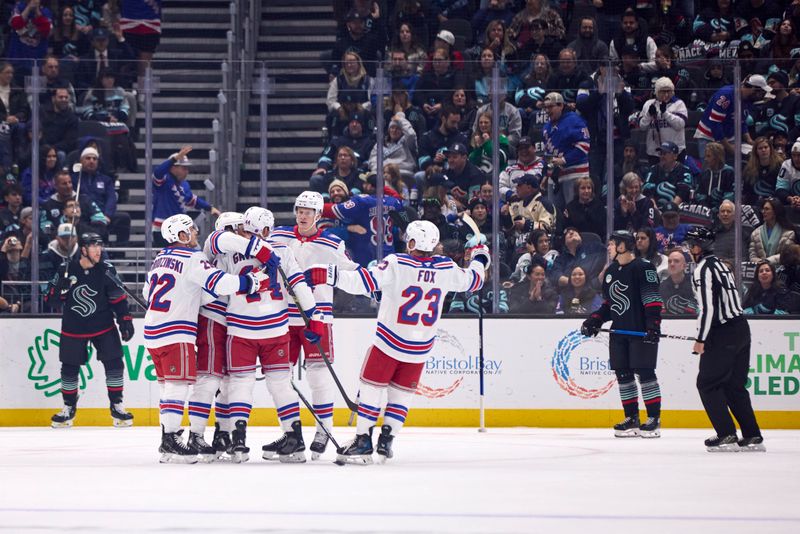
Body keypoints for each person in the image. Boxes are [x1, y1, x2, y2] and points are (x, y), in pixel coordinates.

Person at [305, 220, 490, 463]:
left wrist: (331, 275)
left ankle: (363, 441)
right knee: (401, 395)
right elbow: (474, 280)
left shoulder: (397, 263)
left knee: (371, 389)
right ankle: (386, 441)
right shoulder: (445, 267)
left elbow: (364, 282)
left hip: (389, 343)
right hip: (420, 348)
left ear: (413, 242)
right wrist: (480, 257)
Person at [142, 213, 273, 463]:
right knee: (181, 384)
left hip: (154, 329)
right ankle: (172, 440)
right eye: (190, 229)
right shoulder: (194, 256)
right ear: (180, 235)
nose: (195, 233)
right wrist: (251, 282)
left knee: (167, 386)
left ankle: (172, 436)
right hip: (177, 329)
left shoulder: (159, 258)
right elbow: (218, 283)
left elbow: (149, 293)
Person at [222, 206, 322, 464]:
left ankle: (239, 441)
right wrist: (313, 317)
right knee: (280, 384)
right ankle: (294, 437)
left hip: (240, 328)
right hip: (276, 329)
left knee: (241, 384)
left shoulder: (230, 251)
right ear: (266, 229)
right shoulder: (283, 250)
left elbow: (217, 285)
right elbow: (300, 284)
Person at [267, 192, 360, 460]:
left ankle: (323, 429)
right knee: (278, 378)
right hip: (283, 317)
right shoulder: (278, 237)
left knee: (318, 376)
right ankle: (291, 433)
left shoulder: (333, 244)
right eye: (299, 210)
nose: (303, 215)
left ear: (319, 216)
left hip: (318, 318)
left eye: (309, 211)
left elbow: (352, 273)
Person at [685, 226, 765, 452]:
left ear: (699, 246)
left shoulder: (702, 269)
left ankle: (726, 434)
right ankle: (752, 435)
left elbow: (708, 308)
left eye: (692, 244)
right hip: (740, 328)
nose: (689, 248)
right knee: (734, 386)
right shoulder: (721, 265)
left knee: (707, 384)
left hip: (722, 332)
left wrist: (701, 338)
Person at [46, 232, 135, 428]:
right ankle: (69, 408)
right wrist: (59, 288)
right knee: (69, 368)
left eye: (100, 246)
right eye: (94, 246)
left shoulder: (106, 269)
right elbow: (50, 300)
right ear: (83, 250)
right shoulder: (65, 270)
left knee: (114, 364)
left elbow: (118, 300)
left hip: (103, 326)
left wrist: (125, 320)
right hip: (73, 329)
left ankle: (117, 405)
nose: (98, 250)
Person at [581, 230, 664, 438]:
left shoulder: (644, 268)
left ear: (622, 246)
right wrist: (596, 319)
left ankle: (653, 419)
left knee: (645, 374)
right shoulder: (611, 272)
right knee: (623, 375)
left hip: (641, 332)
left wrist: (653, 326)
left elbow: (652, 300)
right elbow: (610, 304)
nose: (608, 248)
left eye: (611, 244)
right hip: (619, 332)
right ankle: (632, 418)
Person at [151, 145, 220, 246]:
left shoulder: (184, 184)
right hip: (162, 228)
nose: (187, 171)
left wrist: (210, 208)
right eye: (184, 168)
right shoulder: (163, 180)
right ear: (173, 168)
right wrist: (175, 158)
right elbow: (158, 172)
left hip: (180, 229)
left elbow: (192, 200)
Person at [541, 92, 590, 207]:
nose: (547, 110)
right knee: (554, 213)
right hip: (556, 177)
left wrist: (564, 160)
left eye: (551, 106)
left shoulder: (574, 121)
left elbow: (584, 146)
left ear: (561, 106)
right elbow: (548, 154)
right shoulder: (547, 127)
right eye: (546, 107)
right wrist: (546, 175)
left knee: (574, 211)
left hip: (575, 175)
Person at [639, 77, 688, 162]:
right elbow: (642, 127)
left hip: (675, 151)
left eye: (668, 91)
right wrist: (648, 115)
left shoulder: (678, 104)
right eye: (663, 91)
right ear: (657, 92)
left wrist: (665, 113)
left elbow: (680, 124)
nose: (666, 94)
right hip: (655, 152)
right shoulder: (649, 104)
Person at [642, 142, 694, 210]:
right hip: (655, 208)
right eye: (661, 153)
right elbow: (647, 190)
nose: (662, 156)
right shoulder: (653, 169)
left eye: (665, 153)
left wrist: (670, 209)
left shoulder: (684, 171)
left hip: (676, 210)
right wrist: (655, 209)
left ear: (675, 156)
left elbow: (683, 192)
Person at [748, 197, 796, 265]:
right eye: (763, 209)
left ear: (775, 212)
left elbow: (786, 255)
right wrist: (761, 263)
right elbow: (752, 255)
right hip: (761, 271)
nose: (763, 212)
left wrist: (768, 261)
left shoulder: (789, 233)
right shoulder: (755, 233)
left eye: (767, 209)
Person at [659, 249, 698, 316]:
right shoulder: (661, 287)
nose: (672, 264)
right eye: (669, 261)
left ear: (684, 266)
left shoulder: (694, 285)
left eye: (676, 261)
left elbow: (700, 308)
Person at [776, 140, 800, 208]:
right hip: (792, 203)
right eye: (794, 155)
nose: (796, 159)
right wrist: (790, 199)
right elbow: (780, 188)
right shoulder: (786, 165)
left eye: (799, 155)